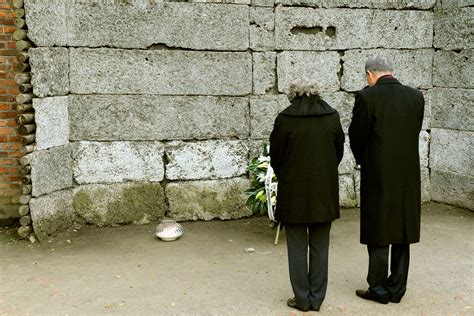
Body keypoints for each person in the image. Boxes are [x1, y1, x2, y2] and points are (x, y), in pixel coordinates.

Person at [349, 55, 424, 304]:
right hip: (408, 174)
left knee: (378, 227)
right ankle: (397, 288)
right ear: (391, 71)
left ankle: (378, 288)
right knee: (403, 229)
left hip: (378, 172)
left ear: (370, 74)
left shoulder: (367, 97)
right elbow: (414, 130)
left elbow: (357, 135)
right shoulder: (415, 96)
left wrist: (364, 160)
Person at [270, 79, 344, 312]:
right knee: (321, 246)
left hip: (294, 193)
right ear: (316, 94)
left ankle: (302, 298)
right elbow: (338, 151)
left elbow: (276, 156)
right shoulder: (331, 116)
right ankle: (317, 298)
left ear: (294, 96)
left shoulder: (285, 119)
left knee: (297, 246)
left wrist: (287, 175)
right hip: (324, 192)